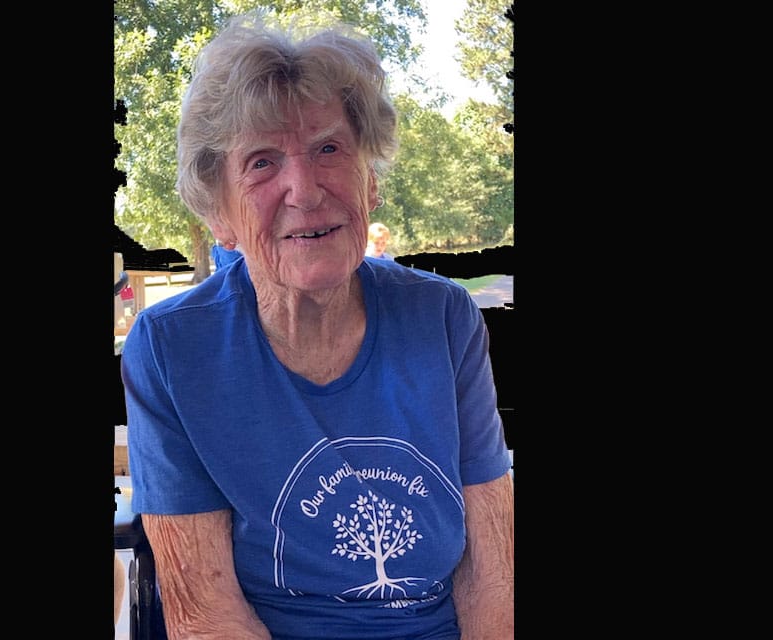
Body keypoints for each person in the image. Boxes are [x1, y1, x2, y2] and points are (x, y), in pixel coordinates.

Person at [121, 11, 513, 640]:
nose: (304, 190)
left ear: (371, 180)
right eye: (262, 163)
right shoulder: (173, 348)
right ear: (218, 212)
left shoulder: (443, 318)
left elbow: (494, 575)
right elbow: (206, 613)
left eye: (329, 148)